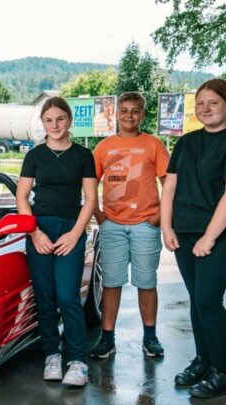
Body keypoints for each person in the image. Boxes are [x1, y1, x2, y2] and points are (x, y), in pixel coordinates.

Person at [160, 78, 226, 399]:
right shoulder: (186, 143)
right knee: (196, 299)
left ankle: (221, 372)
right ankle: (203, 361)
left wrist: (209, 237)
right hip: (184, 232)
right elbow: (169, 187)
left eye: (213, 102)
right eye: (200, 103)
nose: (205, 108)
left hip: (220, 235)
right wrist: (167, 227)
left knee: (208, 300)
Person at [16, 97, 98, 387]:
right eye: (48, 120)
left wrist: (75, 233)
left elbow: (91, 199)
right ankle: (52, 354)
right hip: (40, 229)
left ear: (69, 121)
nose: (54, 125)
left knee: (67, 296)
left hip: (69, 230)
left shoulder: (83, 155)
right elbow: (22, 197)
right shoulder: (34, 156)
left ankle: (78, 361)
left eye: (60, 119)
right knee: (46, 297)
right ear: (43, 123)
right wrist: (34, 232)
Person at [90, 92, 170, 359]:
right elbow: (89, 186)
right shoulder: (104, 147)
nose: (129, 115)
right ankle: (107, 339)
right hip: (112, 226)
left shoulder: (153, 145)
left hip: (145, 225)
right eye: (124, 110)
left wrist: (158, 218)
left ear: (142, 115)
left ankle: (150, 337)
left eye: (135, 111)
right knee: (111, 284)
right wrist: (99, 216)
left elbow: (170, 184)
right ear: (116, 114)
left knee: (146, 283)